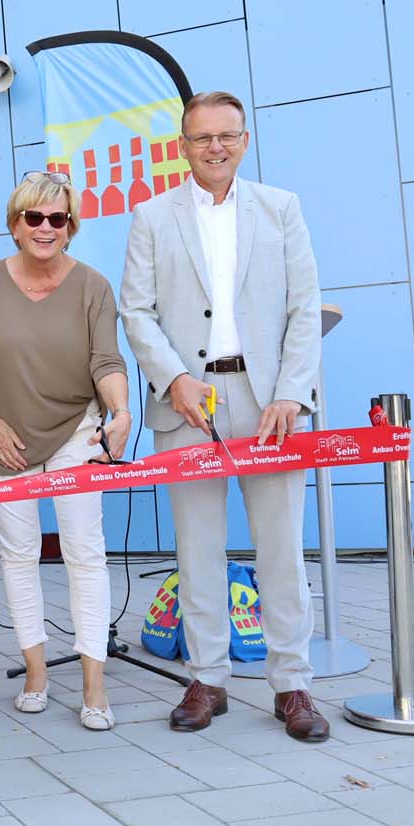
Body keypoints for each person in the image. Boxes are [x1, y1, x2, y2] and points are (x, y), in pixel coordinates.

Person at [120, 90, 327, 741]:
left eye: (226, 135)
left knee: (281, 552)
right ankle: (208, 677)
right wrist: (174, 378)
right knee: (198, 548)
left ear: (244, 139)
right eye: (201, 136)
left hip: (271, 407)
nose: (214, 147)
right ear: (183, 146)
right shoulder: (152, 216)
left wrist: (292, 392)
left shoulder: (280, 208)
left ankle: (292, 684)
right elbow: (137, 310)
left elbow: (304, 306)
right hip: (189, 404)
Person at [0, 171, 128, 731]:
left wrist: (119, 411)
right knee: (19, 552)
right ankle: (35, 670)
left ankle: (94, 682)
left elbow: (106, 361)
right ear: (15, 224)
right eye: (34, 217)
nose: (46, 227)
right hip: (7, 439)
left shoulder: (94, 286)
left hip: (77, 430)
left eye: (58, 218)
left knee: (84, 551)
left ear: (71, 226)